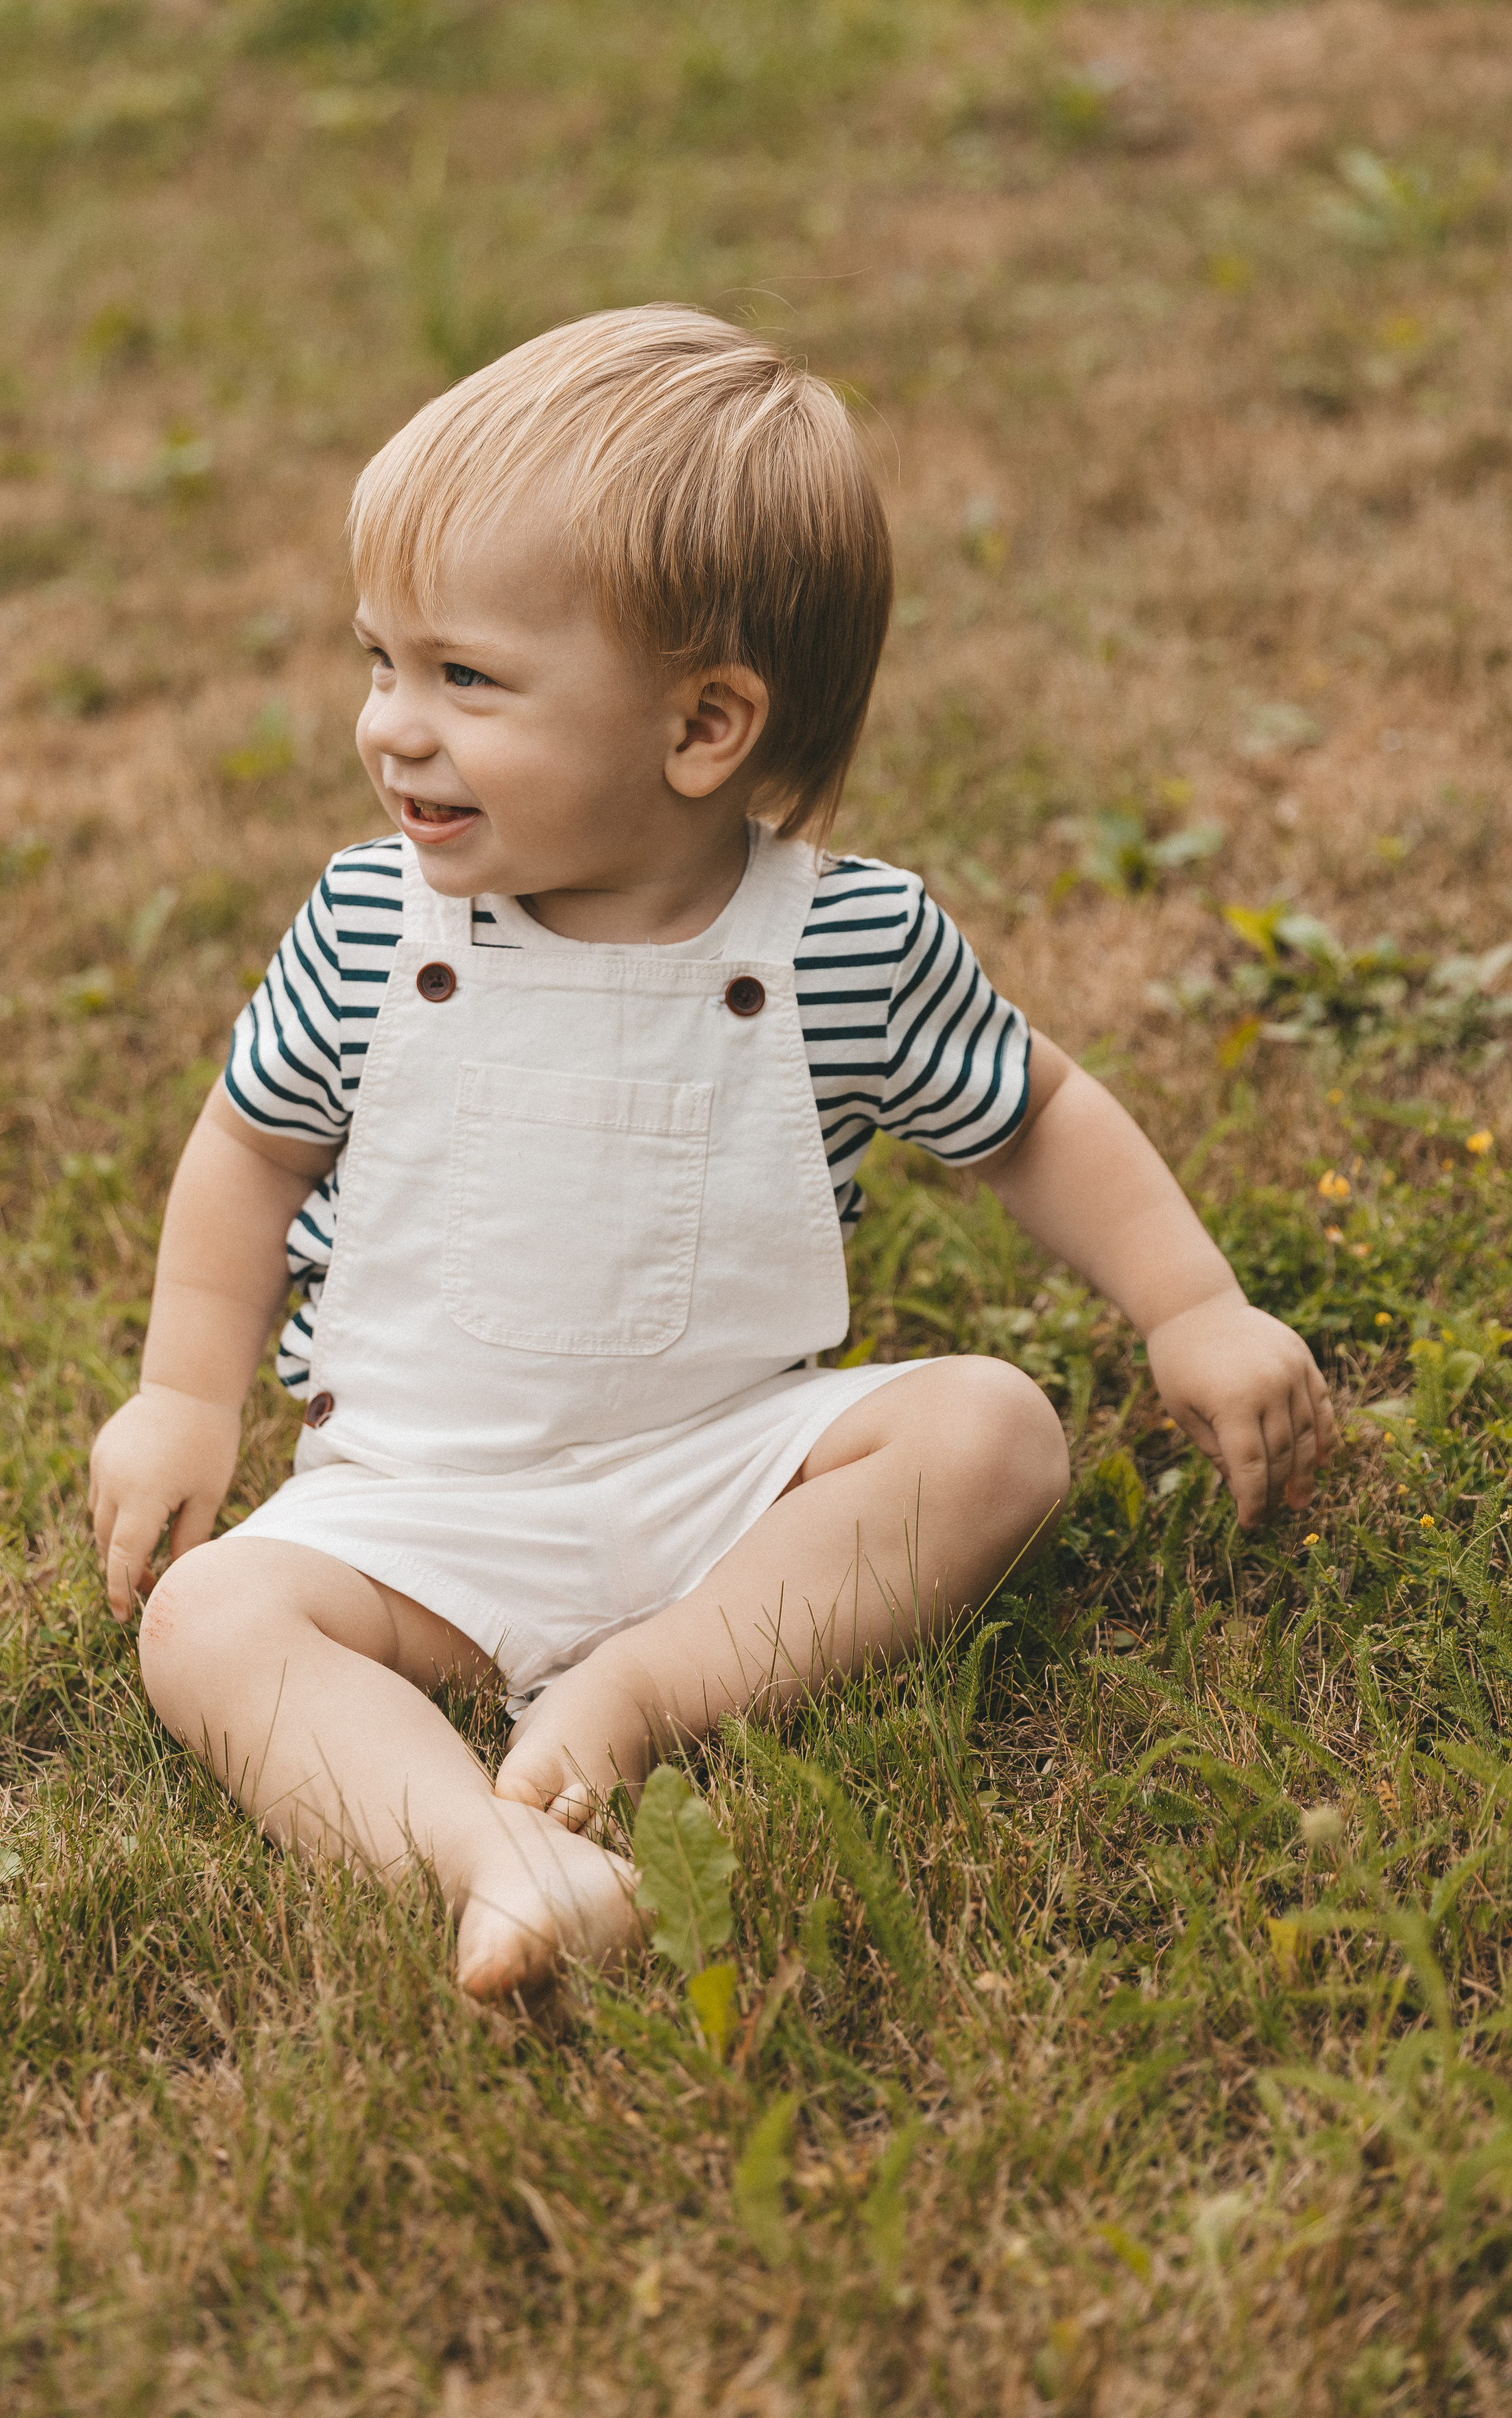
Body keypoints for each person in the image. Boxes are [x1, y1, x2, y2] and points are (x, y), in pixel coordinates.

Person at [88, 306, 1335, 2000]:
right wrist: (184, 1395)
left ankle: (646, 1692)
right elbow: (249, 1150)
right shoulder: (372, 924)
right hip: (420, 1510)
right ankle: (494, 1854)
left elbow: (1031, 1111)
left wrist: (1189, 1305)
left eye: (464, 676)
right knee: (213, 1626)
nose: (392, 725)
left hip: (728, 1479)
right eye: (379, 661)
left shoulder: (842, 941)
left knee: (988, 1432)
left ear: (701, 728)